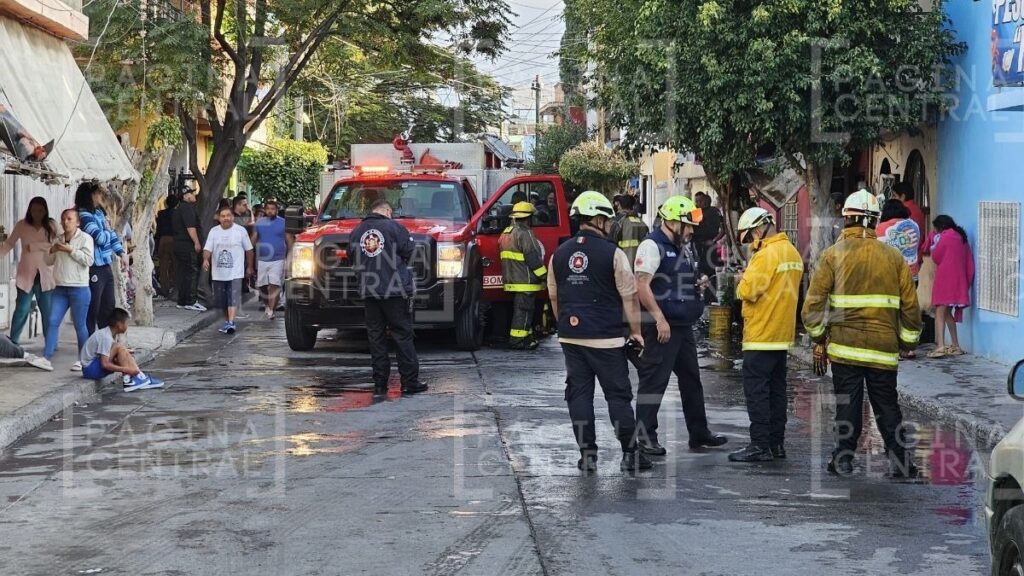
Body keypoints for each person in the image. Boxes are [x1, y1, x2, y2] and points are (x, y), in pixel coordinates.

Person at [802, 190, 922, 478]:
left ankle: (843, 461)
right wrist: (907, 342)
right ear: (873, 221)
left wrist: (819, 338)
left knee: (848, 405)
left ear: (847, 219)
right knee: (887, 407)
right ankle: (902, 464)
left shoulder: (831, 256)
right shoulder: (893, 258)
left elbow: (813, 307)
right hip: (883, 350)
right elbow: (911, 308)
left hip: (845, 349)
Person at [549, 192, 652, 472]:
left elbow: (555, 296)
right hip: (607, 337)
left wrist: (566, 324)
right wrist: (636, 331)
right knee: (617, 396)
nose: (609, 224)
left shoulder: (559, 254)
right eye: (606, 219)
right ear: (596, 219)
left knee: (578, 396)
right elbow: (629, 296)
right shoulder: (613, 254)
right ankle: (630, 454)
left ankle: (587, 456)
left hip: (571, 336)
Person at [633, 195, 728, 456]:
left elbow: (676, 280)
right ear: (673, 223)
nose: (691, 231)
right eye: (687, 226)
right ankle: (645, 437)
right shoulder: (652, 245)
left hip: (683, 325)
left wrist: (696, 284)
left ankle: (699, 433)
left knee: (691, 381)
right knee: (654, 381)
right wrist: (659, 318)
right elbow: (641, 284)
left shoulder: (682, 245)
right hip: (663, 327)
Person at [728, 208, 803, 463]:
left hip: (761, 332)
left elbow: (748, 291)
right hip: (781, 334)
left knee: (757, 391)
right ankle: (776, 444)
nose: (750, 243)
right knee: (777, 391)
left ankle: (759, 444)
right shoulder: (791, 251)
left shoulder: (765, 255)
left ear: (758, 230)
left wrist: (741, 278)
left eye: (749, 237)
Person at [349, 199, 428, 396]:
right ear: (385, 211)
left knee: (375, 337)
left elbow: (353, 258)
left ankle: (379, 384)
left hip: (369, 291)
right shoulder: (394, 228)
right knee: (402, 335)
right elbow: (410, 252)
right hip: (394, 292)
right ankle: (409, 382)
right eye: (390, 213)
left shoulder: (357, 232)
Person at [41, 209, 94, 371]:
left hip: (79, 288)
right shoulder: (58, 239)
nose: (65, 222)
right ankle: (46, 357)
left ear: (77, 222)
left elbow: (89, 260)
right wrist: (52, 250)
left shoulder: (85, 238)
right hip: (60, 288)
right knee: (52, 321)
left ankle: (82, 359)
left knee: (80, 325)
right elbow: (48, 261)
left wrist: (70, 250)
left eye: (69, 219)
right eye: (63, 219)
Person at [0, 196, 56, 344]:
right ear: (29, 211)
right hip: (26, 275)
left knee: (47, 312)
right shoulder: (22, 225)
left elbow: (60, 244)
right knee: (21, 310)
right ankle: (13, 343)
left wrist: (37, 246)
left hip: (46, 276)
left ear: (45, 211)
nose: (37, 213)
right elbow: (9, 243)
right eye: (33, 210)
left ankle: (50, 344)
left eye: (40, 210)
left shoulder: (52, 225)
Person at [75, 182, 129, 335]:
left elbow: (110, 235)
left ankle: (107, 344)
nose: (101, 196)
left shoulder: (99, 213)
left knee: (108, 306)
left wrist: (121, 252)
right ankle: (90, 343)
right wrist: (106, 232)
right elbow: (99, 238)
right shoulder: (84, 215)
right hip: (94, 267)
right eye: (98, 193)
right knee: (94, 307)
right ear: (90, 195)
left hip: (105, 264)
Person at [500, 201, 547, 350]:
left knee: (522, 310)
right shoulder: (525, 233)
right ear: (528, 218)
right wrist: (545, 276)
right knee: (524, 310)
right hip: (525, 281)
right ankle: (518, 340)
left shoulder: (506, 232)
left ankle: (526, 337)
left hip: (512, 280)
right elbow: (533, 259)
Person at [81, 308, 163, 391]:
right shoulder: (106, 337)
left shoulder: (111, 334)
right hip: (90, 370)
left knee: (122, 350)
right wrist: (126, 369)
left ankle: (137, 378)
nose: (128, 326)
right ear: (119, 324)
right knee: (119, 347)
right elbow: (105, 364)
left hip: (94, 366)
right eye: (127, 323)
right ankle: (134, 378)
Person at [927, 215, 975, 359]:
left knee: (940, 313)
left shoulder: (944, 237)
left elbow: (936, 257)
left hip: (945, 280)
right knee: (947, 313)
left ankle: (940, 346)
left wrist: (933, 244)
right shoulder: (961, 238)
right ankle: (955, 345)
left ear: (940, 227)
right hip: (958, 281)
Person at [203, 206, 254, 335]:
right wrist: (205, 259)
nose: (226, 218)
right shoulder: (214, 232)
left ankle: (231, 322)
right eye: (223, 216)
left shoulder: (240, 231)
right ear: (219, 218)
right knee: (222, 301)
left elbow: (249, 250)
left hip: (235, 272)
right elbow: (207, 249)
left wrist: (249, 266)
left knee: (233, 297)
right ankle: (228, 321)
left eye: (228, 215)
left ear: (233, 217)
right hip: (218, 273)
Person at [251, 198, 292, 319]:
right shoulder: (259, 222)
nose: (270, 211)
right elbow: (254, 238)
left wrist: (291, 256)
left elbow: (289, 239)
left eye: (272, 209)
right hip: (262, 259)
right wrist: (247, 249)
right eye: (268, 209)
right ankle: (268, 306)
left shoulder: (283, 222)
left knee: (275, 284)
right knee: (262, 285)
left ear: (277, 210)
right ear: (265, 210)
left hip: (278, 259)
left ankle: (271, 310)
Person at [172, 187, 206, 311]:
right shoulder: (186, 208)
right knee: (192, 272)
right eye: (191, 193)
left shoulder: (178, 209)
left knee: (184, 273)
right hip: (187, 245)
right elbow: (190, 227)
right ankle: (191, 301)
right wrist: (196, 242)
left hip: (179, 245)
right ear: (185, 196)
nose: (194, 194)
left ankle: (182, 300)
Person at [692, 192, 724, 302]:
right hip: (698, 246)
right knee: (699, 271)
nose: (698, 203)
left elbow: (723, 229)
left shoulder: (714, 211)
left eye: (700, 200)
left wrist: (714, 240)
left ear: (706, 200)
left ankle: (711, 297)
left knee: (711, 271)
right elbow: (692, 229)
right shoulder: (695, 213)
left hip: (711, 246)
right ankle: (701, 296)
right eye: (696, 201)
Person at [609, 194, 649, 269]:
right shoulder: (643, 223)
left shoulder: (617, 222)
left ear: (620, 206)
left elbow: (610, 246)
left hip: (622, 268)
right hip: (640, 267)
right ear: (633, 206)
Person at [154, 194, 179, 298]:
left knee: (163, 266)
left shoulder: (161, 213)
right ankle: (174, 287)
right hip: (175, 240)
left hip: (163, 240)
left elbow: (158, 229)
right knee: (175, 265)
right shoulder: (177, 214)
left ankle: (165, 289)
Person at [893, 182, 927, 248]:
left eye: (894, 196)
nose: (893, 198)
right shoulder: (915, 208)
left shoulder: (904, 211)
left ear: (902, 197)